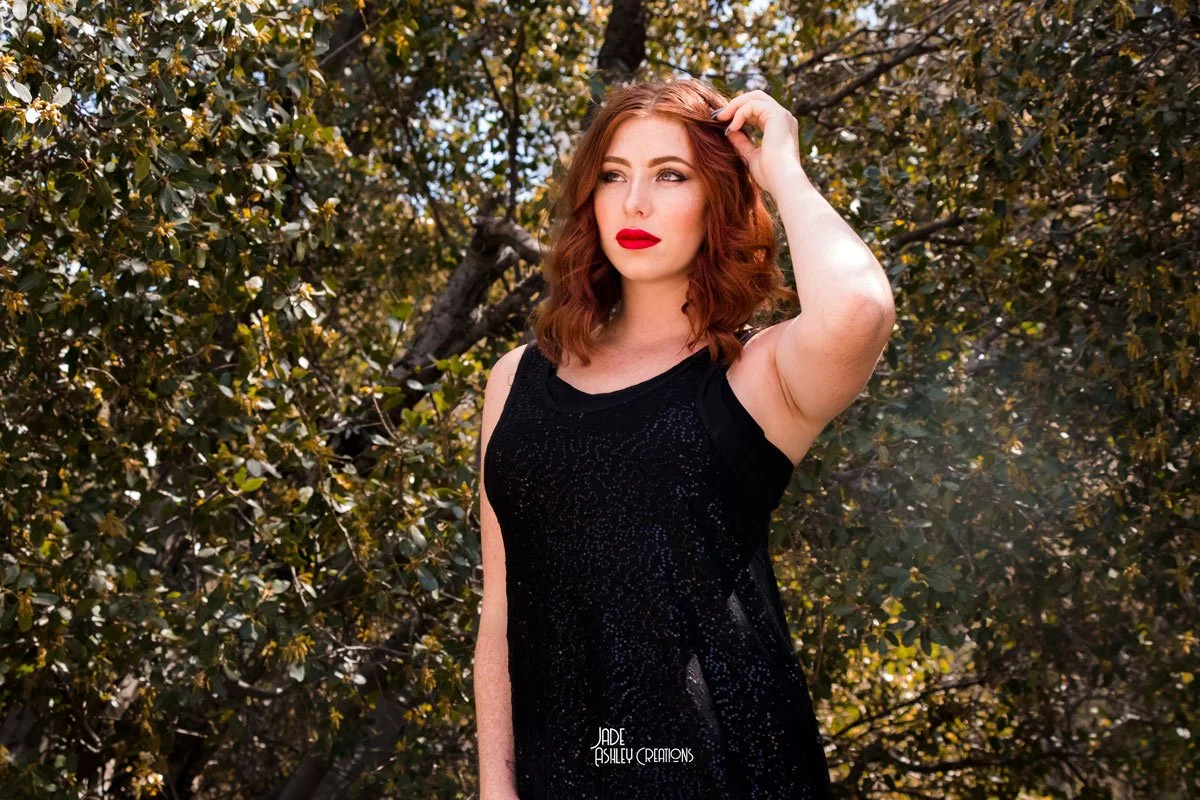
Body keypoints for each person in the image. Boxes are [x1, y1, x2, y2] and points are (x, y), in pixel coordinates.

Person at [474, 77, 894, 799]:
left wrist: (780, 168)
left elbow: (859, 306)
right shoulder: (514, 381)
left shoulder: (755, 375)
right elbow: (500, 615)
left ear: (717, 198)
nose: (634, 202)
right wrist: (496, 786)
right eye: (614, 175)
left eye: (671, 175)